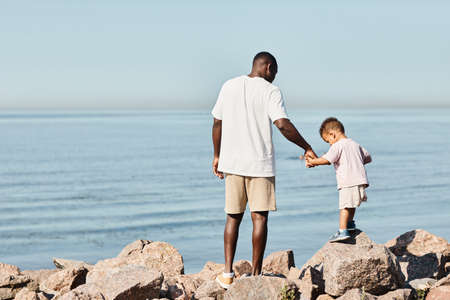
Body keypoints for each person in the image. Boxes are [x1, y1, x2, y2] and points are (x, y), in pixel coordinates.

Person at [211, 51, 316, 289]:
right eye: (275, 73)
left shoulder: (229, 85)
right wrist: (306, 146)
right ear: (268, 67)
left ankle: (227, 274)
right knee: (259, 218)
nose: (274, 78)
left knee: (232, 217)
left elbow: (217, 122)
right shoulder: (271, 91)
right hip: (260, 164)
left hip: (232, 163)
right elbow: (282, 124)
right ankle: (256, 275)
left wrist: (217, 155)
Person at [305, 117, 372, 242]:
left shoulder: (337, 145)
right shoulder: (355, 144)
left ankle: (342, 231)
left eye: (328, 140)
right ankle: (350, 225)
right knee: (351, 204)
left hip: (348, 181)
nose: (330, 143)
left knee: (344, 206)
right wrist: (355, 161)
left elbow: (327, 159)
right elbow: (368, 158)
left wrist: (313, 162)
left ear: (332, 134)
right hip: (360, 180)